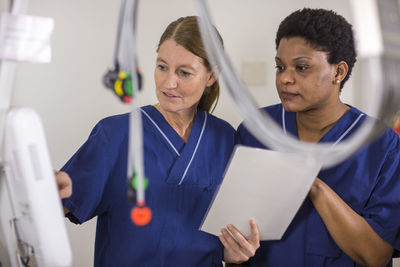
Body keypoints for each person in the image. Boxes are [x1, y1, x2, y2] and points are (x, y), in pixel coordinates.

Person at [56, 16, 260, 266]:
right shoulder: (116, 134)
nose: (168, 82)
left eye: (184, 73)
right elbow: (54, 206)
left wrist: (235, 255)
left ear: (211, 77)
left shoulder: (225, 139)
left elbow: (229, 239)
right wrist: (44, 194)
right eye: (162, 67)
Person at [237, 8, 400, 267]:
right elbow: (235, 239)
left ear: (338, 72)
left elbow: (376, 256)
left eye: (302, 67)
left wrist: (311, 184)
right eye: (280, 67)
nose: (285, 79)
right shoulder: (256, 130)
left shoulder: (381, 145)